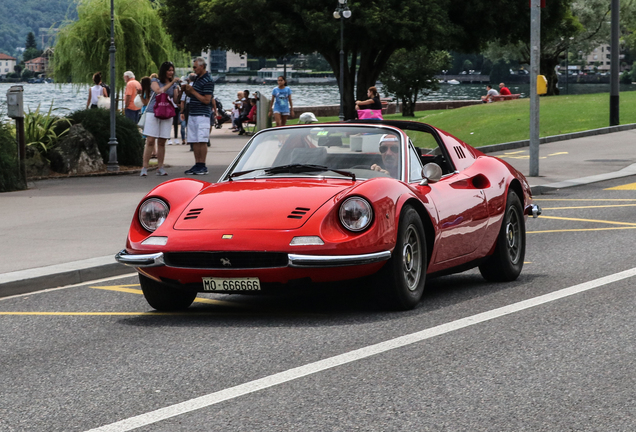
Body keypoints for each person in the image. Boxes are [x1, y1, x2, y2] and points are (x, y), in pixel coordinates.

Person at [140, 61, 181, 177]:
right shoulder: (155, 81)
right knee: (150, 140)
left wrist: (180, 91)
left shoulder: (173, 85)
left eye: (172, 70)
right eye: (169, 70)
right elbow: (159, 91)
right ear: (164, 71)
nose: (171, 72)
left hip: (167, 112)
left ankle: (160, 166)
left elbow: (176, 100)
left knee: (162, 141)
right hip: (153, 112)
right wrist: (172, 82)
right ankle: (144, 167)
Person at [183, 57, 216, 175]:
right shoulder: (197, 78)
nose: (194, 69)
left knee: (202, 140)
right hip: (193, 113)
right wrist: (186, 90)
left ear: (202, 66)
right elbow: (192, 94)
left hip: (202, 114)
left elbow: (207, 100)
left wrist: (193, 92)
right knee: (194, 140)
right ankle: (197, 164)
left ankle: (202, 165)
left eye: (195, 67)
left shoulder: (208, 80)